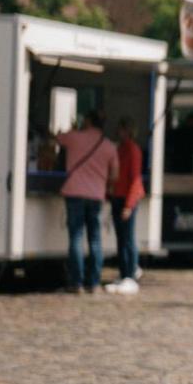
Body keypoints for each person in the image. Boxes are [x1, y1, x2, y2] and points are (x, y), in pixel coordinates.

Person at [56, 110, 118, 294]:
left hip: (74, 192)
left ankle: (77, 282)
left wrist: (73, 128)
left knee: (76, 237)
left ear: (88, 121)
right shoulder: (109, 146)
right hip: (96, 196)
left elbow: (57, 138)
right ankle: (94, 282)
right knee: (95, 239)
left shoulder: (74, 137)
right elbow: (115, 175)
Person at [104, 117, 144, 295]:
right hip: (117, 197)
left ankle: (130, 275)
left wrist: (129, 205)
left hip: (126, 198)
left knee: (127, 238)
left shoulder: (132, 150)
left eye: (121, 129)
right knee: (121, 237)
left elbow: (134, 179)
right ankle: (124, 273)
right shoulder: (119, 149)